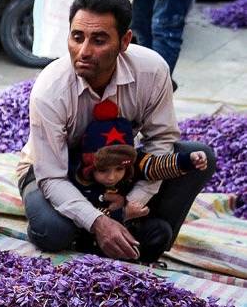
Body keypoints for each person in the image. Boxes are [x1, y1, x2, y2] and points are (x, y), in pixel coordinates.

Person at [17, 0, 215, 262]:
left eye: (99, 40)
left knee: (199, 156)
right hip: (54, 173)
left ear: (125, 42)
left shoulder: (151, 70)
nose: (83, 51)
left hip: (120, 174)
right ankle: (116, 235)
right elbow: (51, 176)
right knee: (53, 232)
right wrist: (100, 222)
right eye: (77, 37)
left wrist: (132, 202)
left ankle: (138, 229)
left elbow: (161, 141)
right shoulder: (50, 89)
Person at [69, 100, 209, 262]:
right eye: (103, 170)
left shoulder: (131, 165)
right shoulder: (83, 183)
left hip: (130, 228)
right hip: (94, 235)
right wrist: (123, 214)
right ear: (90, 167)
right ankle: (102, 258)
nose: (112, 177)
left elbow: (155, 166)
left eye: (119, 169)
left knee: (161, 230)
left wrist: (187, 161)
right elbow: (86, 216)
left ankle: (140, 262)